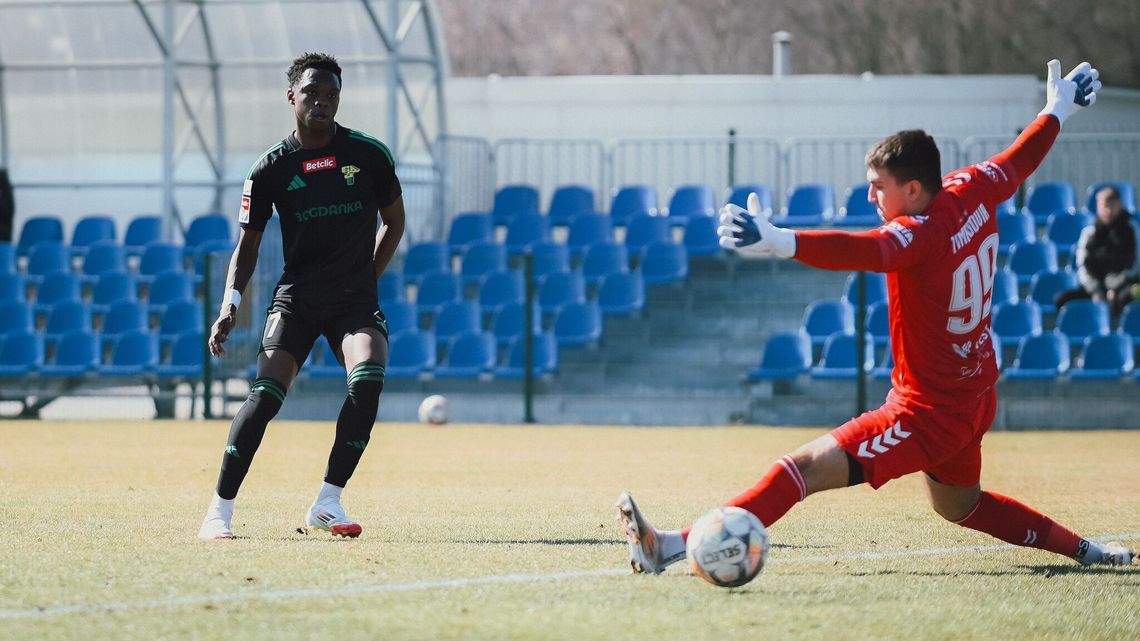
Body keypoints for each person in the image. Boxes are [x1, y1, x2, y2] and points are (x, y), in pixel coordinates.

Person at [617, 59, 1133, 572]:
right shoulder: (974, 185)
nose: (870, 196)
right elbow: (1020, 159)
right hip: (974, 397)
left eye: (878, 185)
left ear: (912, 189)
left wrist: (778, 240)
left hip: (925, 412)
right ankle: (1088, 550)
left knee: (802, 468)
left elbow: (854, 249)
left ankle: (670, 546)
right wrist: (1057, 110)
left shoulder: (919, 235)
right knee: (961, 506)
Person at [198, 52, 405, 540]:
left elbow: (394, 223)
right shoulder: (269, 169)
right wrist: (229, 306)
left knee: (369, 377)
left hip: (354, 300)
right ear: (291, 95)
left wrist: (366, 280)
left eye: (331, 94)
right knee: (266, 395)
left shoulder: (370, 155)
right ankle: (218, 512)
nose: (321, 102)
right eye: (311, 93)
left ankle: (328, 500)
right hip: (298, 298)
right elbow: (246, 247)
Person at [1053, 185, 1138, 317]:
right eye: (1105, 206)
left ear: (1120, 205)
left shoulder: (1132, 230)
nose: (1108, 210)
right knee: (1061, 299)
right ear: (1098, 207)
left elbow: (1134, 265)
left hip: (1124, 285)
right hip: (1096, 287)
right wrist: (1095, 290)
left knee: (1125, 297)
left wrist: (1114, 287)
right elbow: (1083, 266)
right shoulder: (1089, 233)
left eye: (1112, 205)